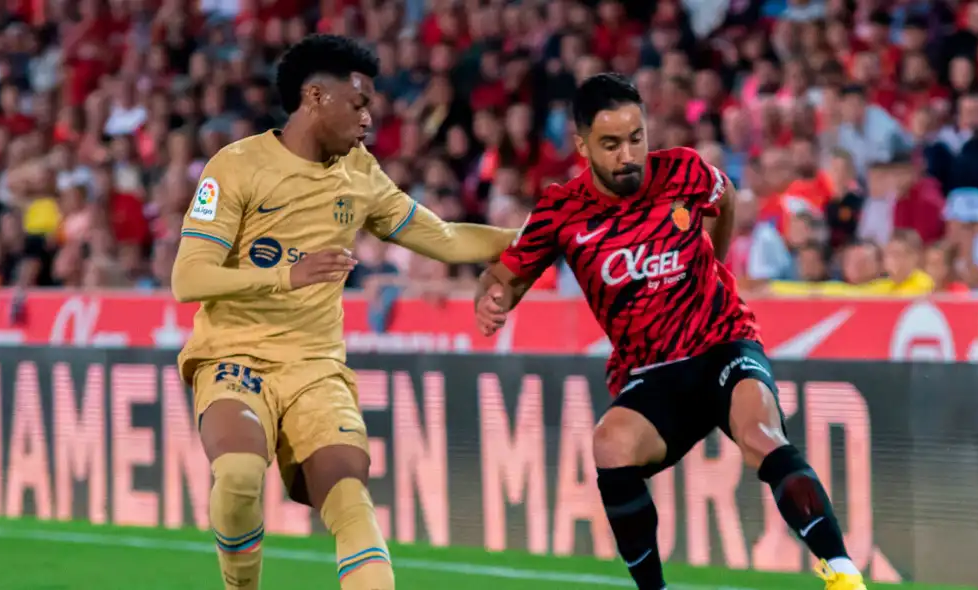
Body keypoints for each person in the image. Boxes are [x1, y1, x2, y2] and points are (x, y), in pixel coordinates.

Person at [473, 73, 866, 590]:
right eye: (611, 144)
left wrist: (717, 264)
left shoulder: (683, 170)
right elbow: (506, 273)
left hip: (723, 341)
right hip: (653, 372)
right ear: (582, 144)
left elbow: (724, 205)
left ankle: (842, 572)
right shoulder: (561, 210)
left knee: (761, 435)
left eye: (637, 137)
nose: (628, 155)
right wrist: (495, 299)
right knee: (610, 445)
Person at [171, 34, 516, 590]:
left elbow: (448, 239)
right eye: (358, 104)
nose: (368, 119)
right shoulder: (234, 167)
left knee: (349, 494)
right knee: (237, 476)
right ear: (314, 98)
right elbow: (188, 279)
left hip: (316, 370)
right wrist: (286, 275)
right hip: (234, 356)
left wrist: (542, 237)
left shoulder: (361, 175)